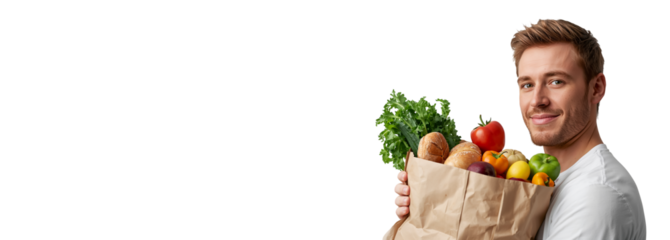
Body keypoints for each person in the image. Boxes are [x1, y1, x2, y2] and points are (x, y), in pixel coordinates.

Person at [392, 17, 647, 239]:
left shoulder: (596, 195)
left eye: (556, 81)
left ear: (597, 89)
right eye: (527, 85)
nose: (537, 100)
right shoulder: (538, 182)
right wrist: (432, 212)